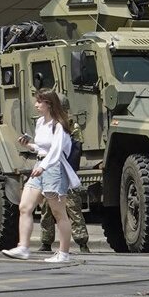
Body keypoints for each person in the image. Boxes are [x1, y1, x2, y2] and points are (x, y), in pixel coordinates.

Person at [2, 89, 80, 263]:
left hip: (54, 168)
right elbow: (42, 148)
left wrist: (43, 166)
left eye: (39, 102)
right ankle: (23, 247)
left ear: (49, 104)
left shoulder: (59, 125)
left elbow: (56, 150)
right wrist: (29, 146)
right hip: (41, 165)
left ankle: (64, 254)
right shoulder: (39, 123)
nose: (36, 105)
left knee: (58, 213)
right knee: (24, 206)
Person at [38, 108, 90, 253]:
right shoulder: (47, 124)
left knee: (72, 207)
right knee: (47, 208)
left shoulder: (71, 126)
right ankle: (46, 242)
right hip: (50, 170)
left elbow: (76, 150)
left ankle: (82, 242)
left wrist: (70, 169)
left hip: (65, 169)